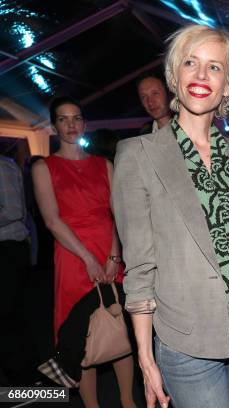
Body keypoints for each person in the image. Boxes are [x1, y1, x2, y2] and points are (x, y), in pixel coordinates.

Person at [112, 25, 229, 408]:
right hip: (187, 344)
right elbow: (139, 268)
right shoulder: (138, 154)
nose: (201, 76)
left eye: (215, 67)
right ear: (175, 74)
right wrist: (145, 359)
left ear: (228, 85)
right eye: (191, 63)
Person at [32, 96, 136, 407]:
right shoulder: (44, 167)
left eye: (76, 118)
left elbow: (116, 214)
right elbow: (51, 220)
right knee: (83, 334)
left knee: (120, 326)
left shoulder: (104, 164)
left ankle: (129, 402)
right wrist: (89, 259)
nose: (71, 124)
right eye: (63, 119)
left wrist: (113, 256)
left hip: (109, 253)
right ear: (54, 126)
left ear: (84, 123)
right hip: (73, 256)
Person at [0, 155, 31, 385]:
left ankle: (22, 379)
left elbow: (13, 211)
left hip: (8, 249)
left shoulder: (3, 167)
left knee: (10, 315)